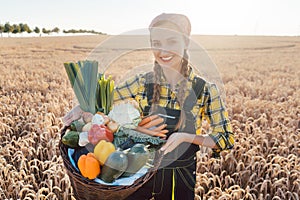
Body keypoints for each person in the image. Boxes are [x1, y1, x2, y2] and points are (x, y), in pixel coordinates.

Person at [63, 13, 234, 200]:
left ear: (185, 42)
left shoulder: (204, 90)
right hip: (139, 174)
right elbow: (104, 101)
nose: (163, 50)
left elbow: (224, 139)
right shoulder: (142, 82)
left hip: (179, 179)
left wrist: (186, 137)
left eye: (171, 42)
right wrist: (83, 106)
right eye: (157, 43)